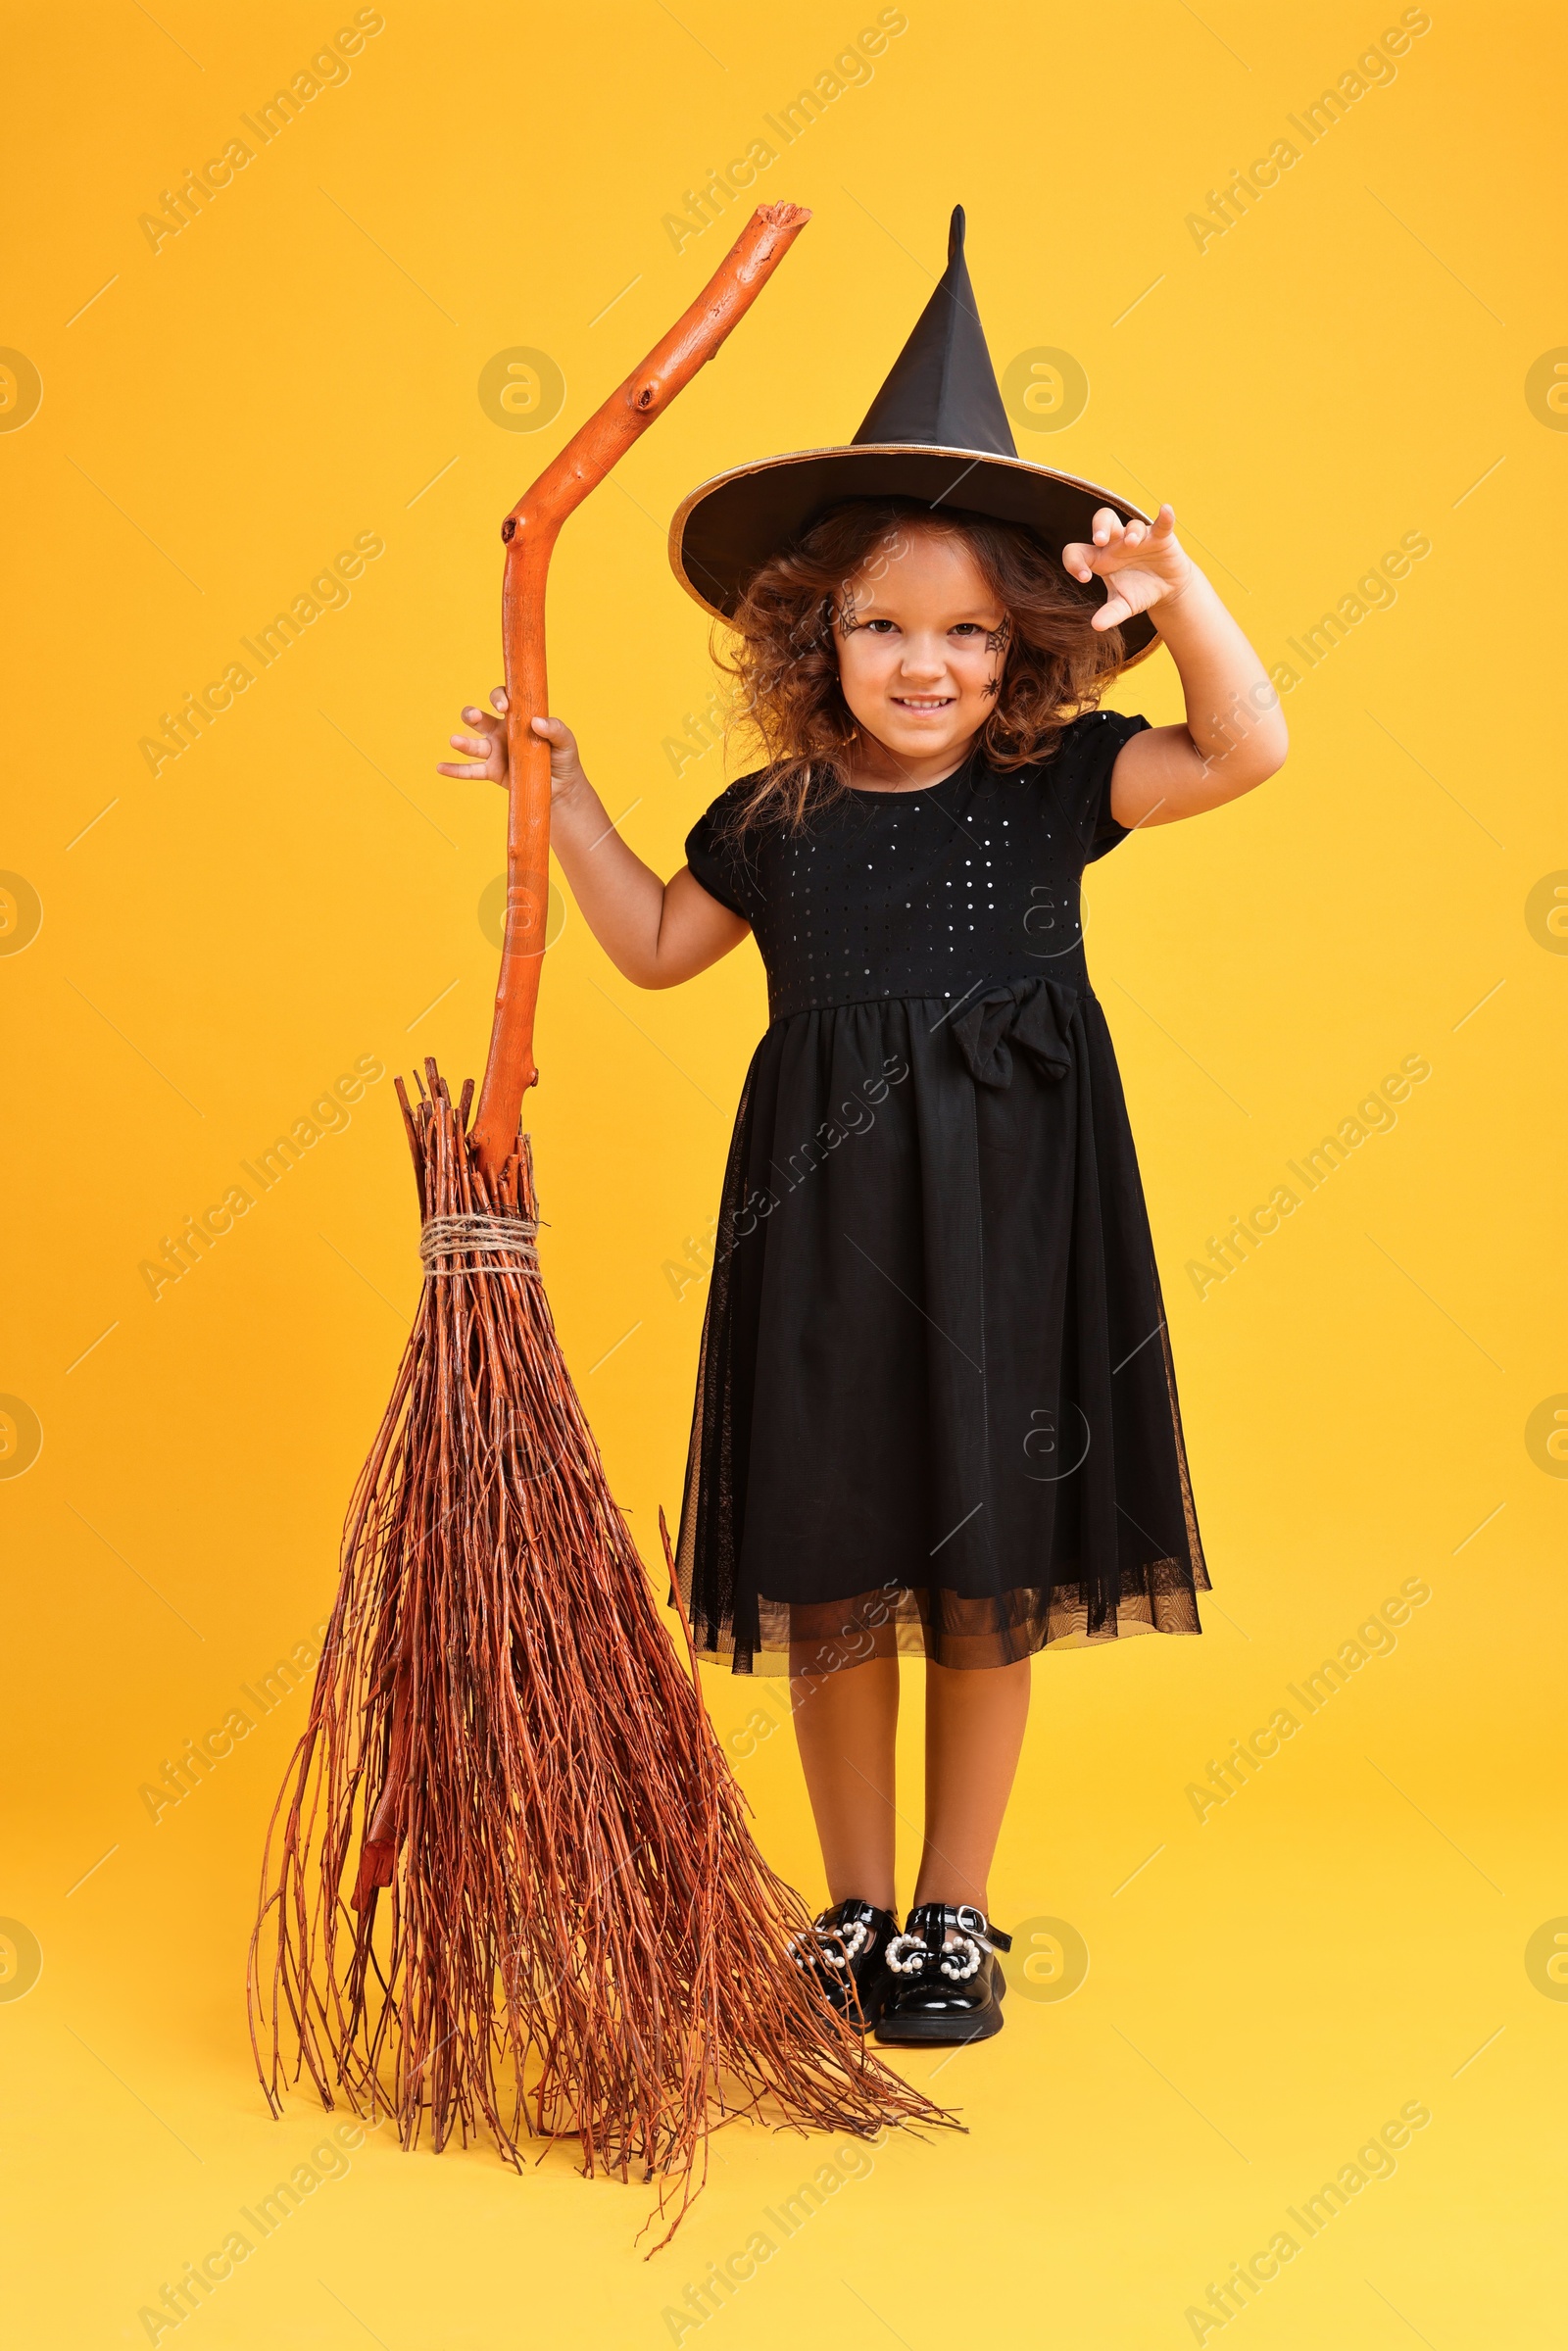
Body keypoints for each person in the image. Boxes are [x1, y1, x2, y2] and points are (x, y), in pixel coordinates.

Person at [438, 210, 1286, 2048]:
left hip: (1014, 1227)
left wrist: (1187, 587)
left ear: (1027, 650)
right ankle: (846, 1911)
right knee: (835, 1569)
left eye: (968, 633)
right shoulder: (776, 815)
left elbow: (1247, 749)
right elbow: (661, 950)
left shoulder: (1062, 786)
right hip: (826, 1233)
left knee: (988, 1577)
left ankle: (956, 1917)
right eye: (886, 626)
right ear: (812, 633)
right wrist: (565, 795)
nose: (924, 665)